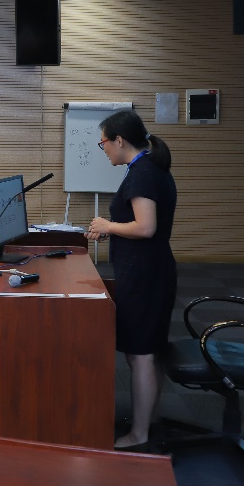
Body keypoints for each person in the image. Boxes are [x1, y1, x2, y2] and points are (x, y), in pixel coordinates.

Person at [87, 110, 177, 451]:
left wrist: (108, 225)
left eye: (104, 144)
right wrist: (113, 231)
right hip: (151, 270)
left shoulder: (142, 174)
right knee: (148, 350)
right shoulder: (150, 168)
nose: (104, 150)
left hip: (144, 275)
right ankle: (147, 419)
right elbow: (141, 224)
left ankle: (139, 434)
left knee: (141, 355)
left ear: (120, 140)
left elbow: (146, 227)